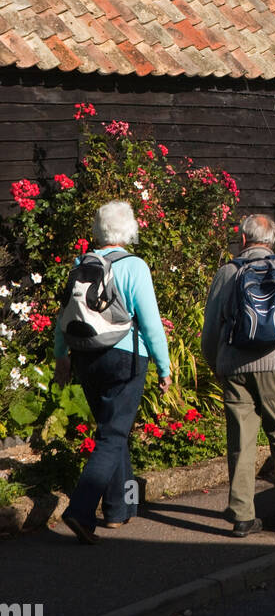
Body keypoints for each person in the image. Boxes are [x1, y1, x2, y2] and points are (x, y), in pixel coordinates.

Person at [54, 200, 171, 543]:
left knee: (111, 429)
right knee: (113, 435)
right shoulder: (135, 266)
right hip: (124, 358)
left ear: (99, 230)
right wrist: (164, 368)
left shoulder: (81, 263)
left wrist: (63, 358)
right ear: (128, 230)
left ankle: (118, 510)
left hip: (86, 357)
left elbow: (63, 319)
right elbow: (151, 323)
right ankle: (80, 510)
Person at [201, 213, 275, 536]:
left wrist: (217, 363)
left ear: (243, 239)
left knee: (241, 439)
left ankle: (242, 515)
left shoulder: (227, 272)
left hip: (234, 366)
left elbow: (210, 329)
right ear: (272, 241)